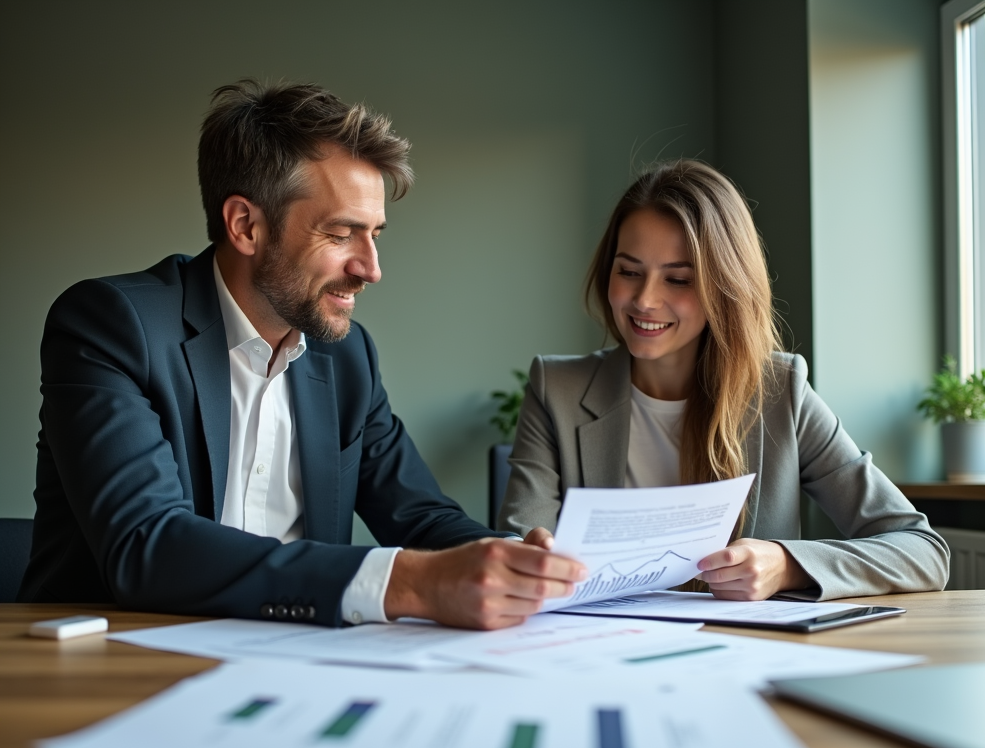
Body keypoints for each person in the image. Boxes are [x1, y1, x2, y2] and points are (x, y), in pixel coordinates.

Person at [20, 79, 585, 629]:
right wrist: (407, 583)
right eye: (342, 234)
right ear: (245, 225)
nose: (371, 268)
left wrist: (517, 560)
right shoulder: (112, 326)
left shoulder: (348, 358)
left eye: (376, 234)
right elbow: (147, 544)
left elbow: (420, 515)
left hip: (298, 662)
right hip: (116, 664)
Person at [499, 159, 949, 601]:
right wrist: (527, 560)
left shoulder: (781, 391)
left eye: (678, 279)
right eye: (629, 271)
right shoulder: (556, 389)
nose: (644, 299)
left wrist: (786, 564)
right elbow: (520, 544)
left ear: (725, 287)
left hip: (743, 659)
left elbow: (922, 551)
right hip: (595, 655)